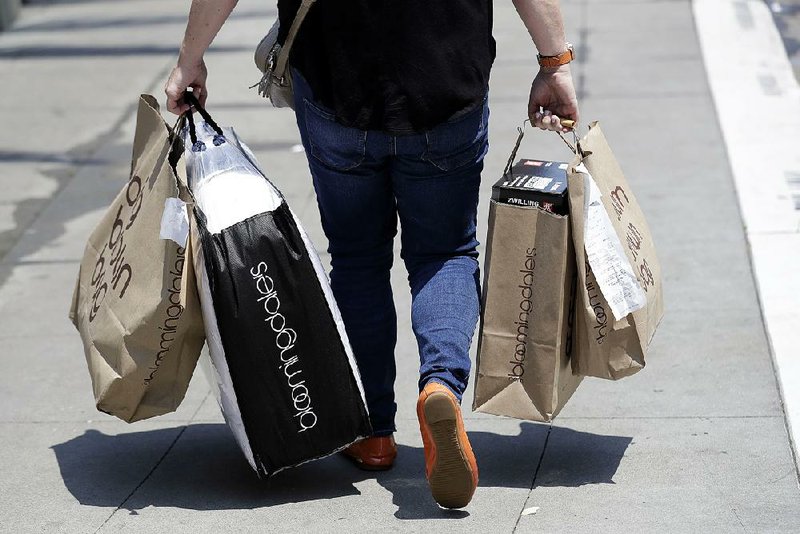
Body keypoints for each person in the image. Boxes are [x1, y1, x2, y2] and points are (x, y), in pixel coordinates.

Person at [166, 0, 579, 510]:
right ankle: (440, 385)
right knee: (445, 251)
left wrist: (191, 57)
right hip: (446, 84)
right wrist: (553, 63)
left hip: (338, 87)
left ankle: (374, 431)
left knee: (358, 257)